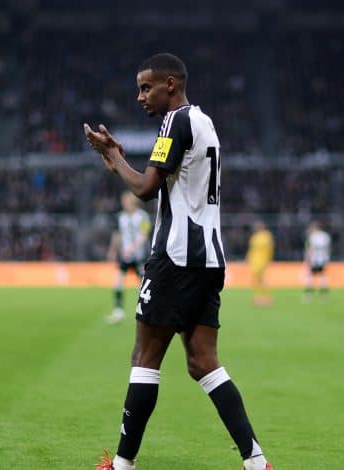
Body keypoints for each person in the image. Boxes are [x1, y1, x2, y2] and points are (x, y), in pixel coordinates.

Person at [84, 53, 272, 470]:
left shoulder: (175, 121)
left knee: (144, 358)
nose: (139, 97)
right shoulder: (205, 122)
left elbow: (146, 189)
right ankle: (256, 461)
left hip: (175, 256)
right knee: (203, 361)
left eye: (146, 87)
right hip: (209, 258)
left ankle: (122, 464)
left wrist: (114, 158)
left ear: (171, 84)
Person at [106, 191, 152, 324]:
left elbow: (144, 234)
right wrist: (113, 250)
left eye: (126, 202)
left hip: (139, 256)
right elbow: (117, 235)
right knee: (118, 281)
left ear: (133, 203)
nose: (124, 205)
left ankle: (144, 311)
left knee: (142, 285)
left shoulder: (143, 216)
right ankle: (118, 311)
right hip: (125, 256)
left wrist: (133, 247)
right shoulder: (120, 217)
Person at [246, 220, 274, 307]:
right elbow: (251, 250)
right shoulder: (255, 237)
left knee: (261, 280)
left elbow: (270, 249)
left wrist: (268, 259)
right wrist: (248, 258)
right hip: (254, 261)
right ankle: (258, 298)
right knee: (256, 280)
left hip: (262, 261)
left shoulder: (266, 236)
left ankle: (266, 298)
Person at [303, 221, 331, 301]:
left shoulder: (313, 236)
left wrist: (307, 258)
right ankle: (323, 295)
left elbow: (310, 248)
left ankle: (308, 294)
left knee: (311, 275)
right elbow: (328, 248)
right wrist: (327, 258)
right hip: (323, 258)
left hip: (314, 258)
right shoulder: (325, 236)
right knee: (322, 275)